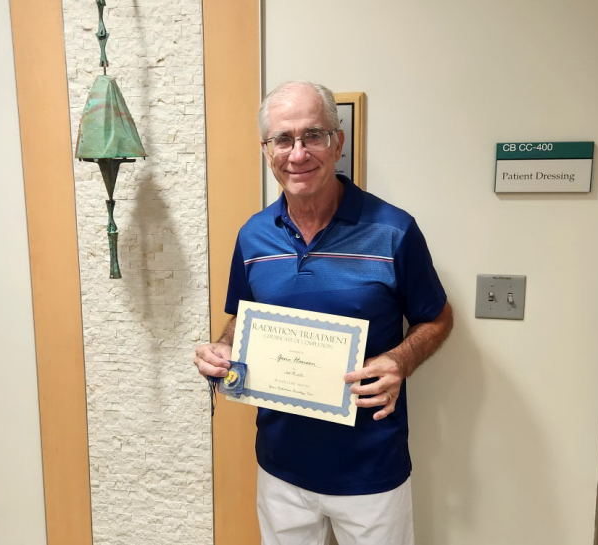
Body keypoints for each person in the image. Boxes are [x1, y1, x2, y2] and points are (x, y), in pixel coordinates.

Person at [194, 81, 453, 545]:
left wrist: (400, 361)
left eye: (312, 135)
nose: (297, 153)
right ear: (266, 149)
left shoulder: (394, 231)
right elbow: (243, 318)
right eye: (283, 139)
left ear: (338, 142)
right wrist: (222, 350)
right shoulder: (253, 236)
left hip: (371, 470)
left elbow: (437, 318)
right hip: (280, 467)